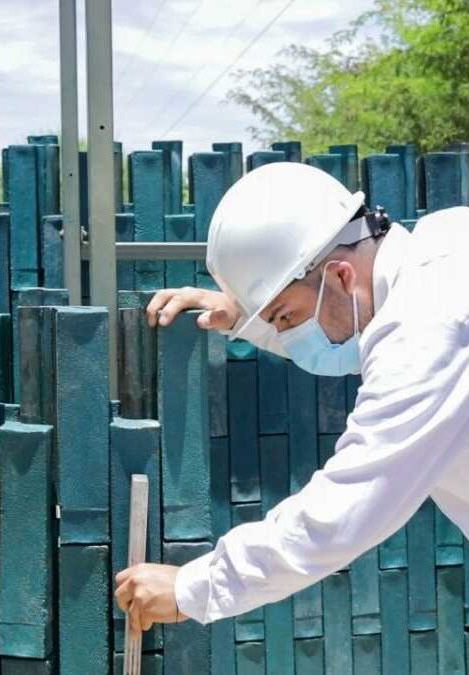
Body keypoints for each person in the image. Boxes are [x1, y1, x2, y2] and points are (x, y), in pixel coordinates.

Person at [114, 161, 469, 637]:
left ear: (340, 275)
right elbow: (349, 328)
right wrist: (248, 317)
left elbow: (346, 509)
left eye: (285, 317)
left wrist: (193, 587)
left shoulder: (427, 329)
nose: (289, 335)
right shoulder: (445, 243)